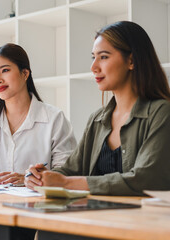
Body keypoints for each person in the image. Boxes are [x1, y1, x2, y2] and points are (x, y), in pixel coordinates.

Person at [25, 21, 170, 196]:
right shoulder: (97, 119)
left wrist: (65, 182)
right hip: (94, 217)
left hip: (140, 221)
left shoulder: (161, 112)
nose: (93, 67)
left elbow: (146, 179)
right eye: (93, 57)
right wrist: (40, 177)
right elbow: (71, 171)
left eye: (103, 57)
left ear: (131, 61)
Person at [0, 43, 76, 240]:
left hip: (43, 211)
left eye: (5, 70)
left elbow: (67, 172)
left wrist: (29, 179)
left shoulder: (54, 118)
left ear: (25, 74)